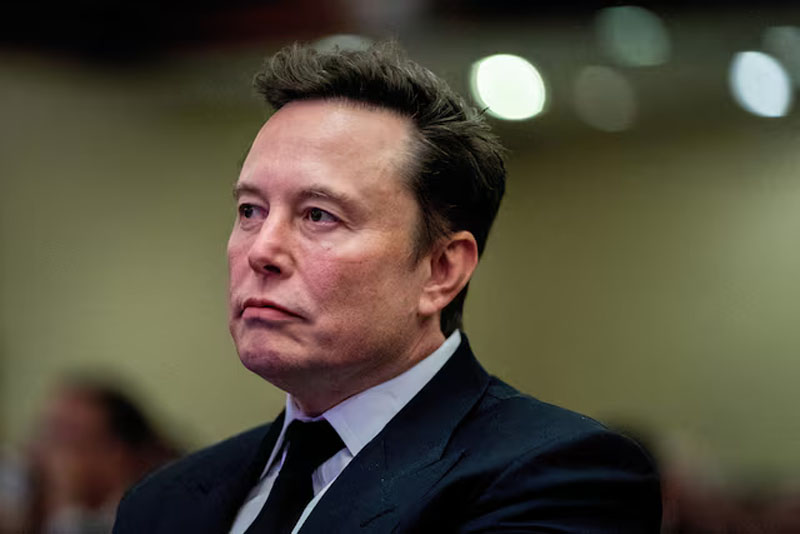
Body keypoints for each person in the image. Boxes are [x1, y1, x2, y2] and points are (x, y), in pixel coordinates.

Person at [113, 42, 661, 533]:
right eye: (251, 210)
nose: (261, 251)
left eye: (319, 215)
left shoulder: (557, 478)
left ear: (441, 270)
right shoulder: (160, 502)